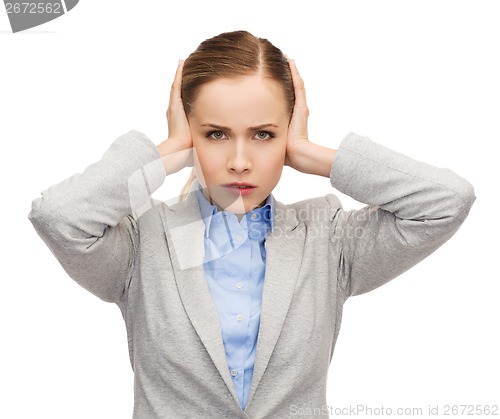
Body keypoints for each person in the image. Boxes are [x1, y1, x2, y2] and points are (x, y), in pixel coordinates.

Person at [28, 30, 476, 418]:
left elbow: (445, 202)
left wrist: (313, 154)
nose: (240, 162)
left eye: (264, 134)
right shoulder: (140, 242)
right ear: (189, 133)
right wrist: (165, 152)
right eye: (215, 134)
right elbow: (59, 216)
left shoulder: (329, 238)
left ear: (287, 132)